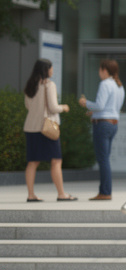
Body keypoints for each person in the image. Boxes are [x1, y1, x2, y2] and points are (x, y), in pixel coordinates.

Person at [23, 59, 75, 203]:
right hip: (47, 128)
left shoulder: (30, 85)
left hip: (30, 127)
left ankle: (31, 195)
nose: (53, 70)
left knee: (32, 162)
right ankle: (61, 194)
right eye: (51, 68)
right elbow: (53, 107)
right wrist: (63, 107)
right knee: (56, 161)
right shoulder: (49, 85)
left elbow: (28, 106)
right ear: (46, 70)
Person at [80, 59, 126, 201]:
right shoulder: (119, 86)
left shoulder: (105, 84)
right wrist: (94, 112)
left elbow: (100, 105)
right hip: (113, 124)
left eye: (100, 70)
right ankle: (105, 191)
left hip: (102, 125)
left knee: (103, 159)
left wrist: (85, 103)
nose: (99, 73)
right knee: (105, 158)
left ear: (104, 70)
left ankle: (105, 192)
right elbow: (112, 108)